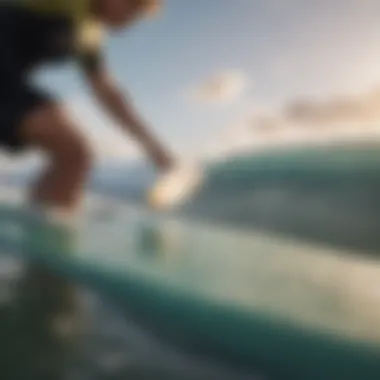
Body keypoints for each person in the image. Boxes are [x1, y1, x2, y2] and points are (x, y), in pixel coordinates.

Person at [0, 0, 175, 222]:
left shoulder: (89, 35)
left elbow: (108, 93)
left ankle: (40, 233)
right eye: (131, 6)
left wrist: (153, 147)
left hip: (7, 82)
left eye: (138, 14)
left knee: (74, 155)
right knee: (73, 149)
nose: (131, 20)